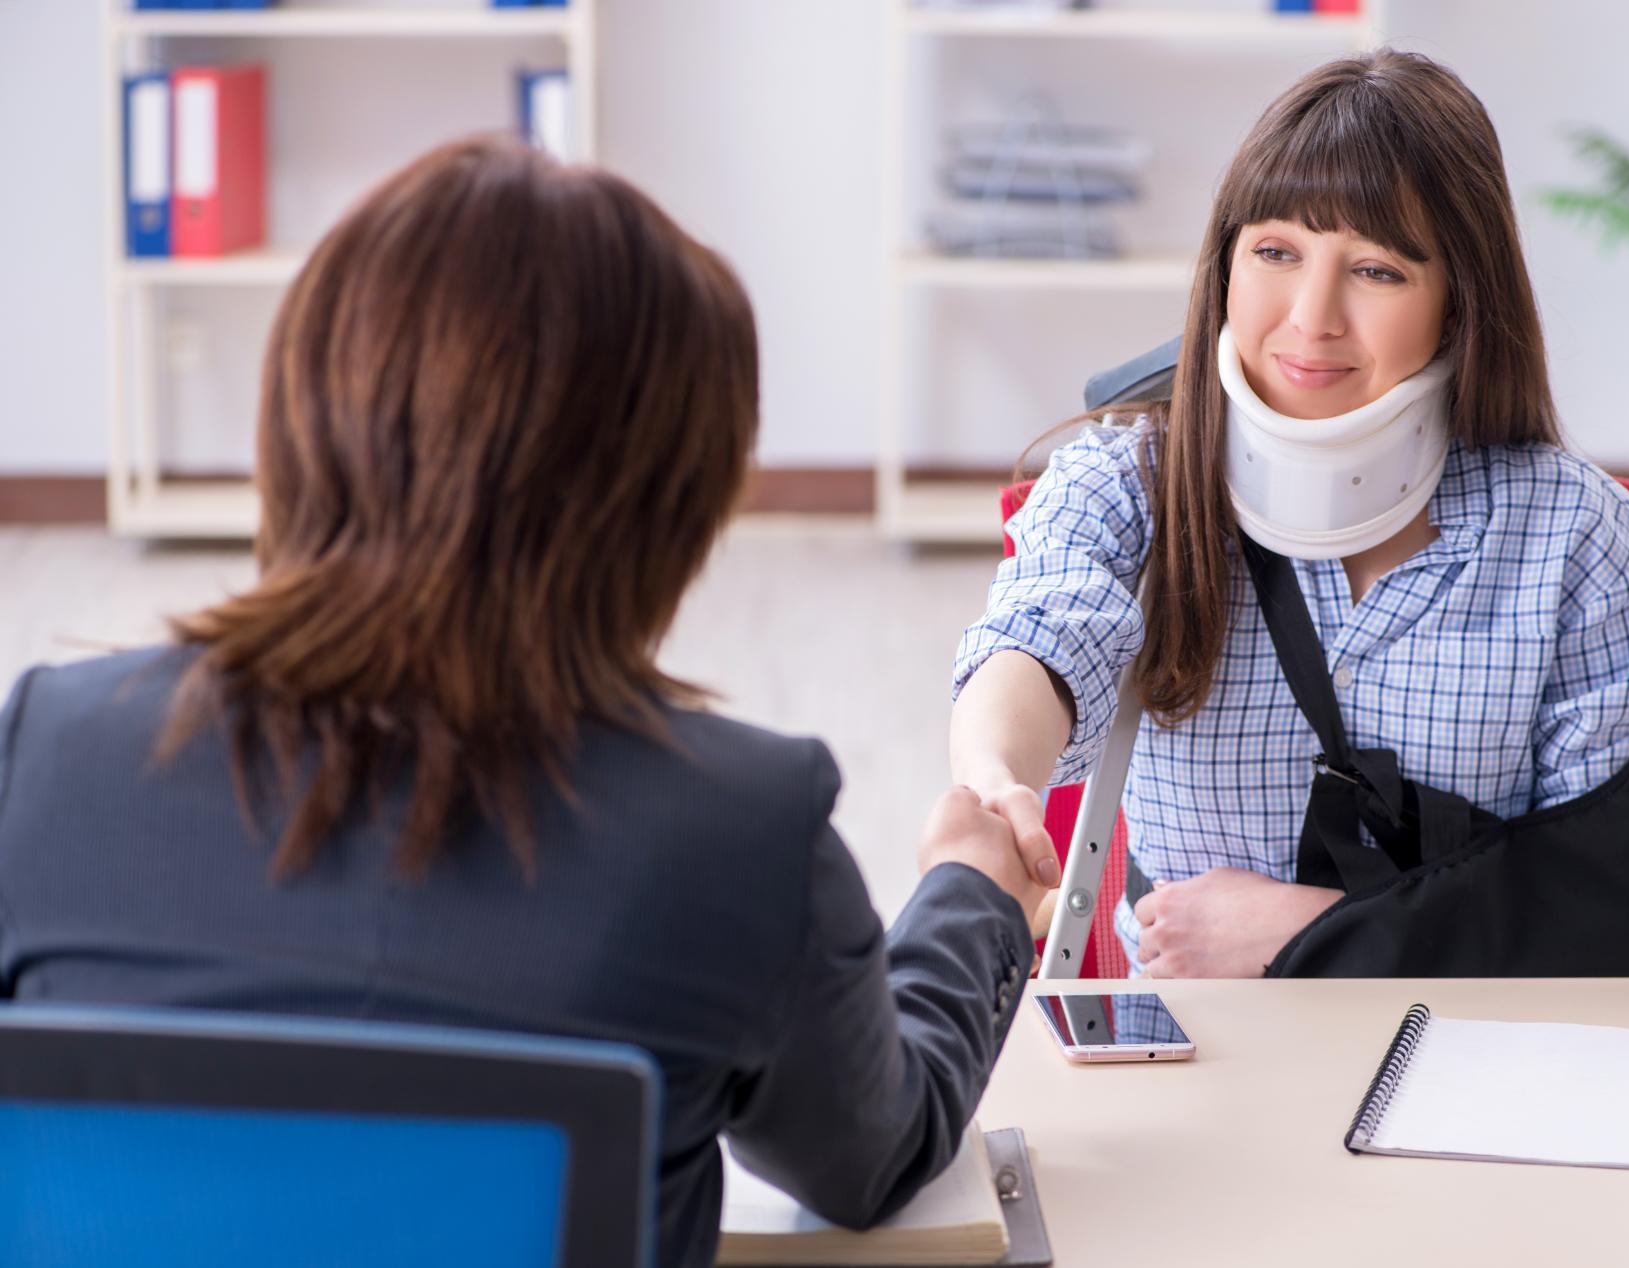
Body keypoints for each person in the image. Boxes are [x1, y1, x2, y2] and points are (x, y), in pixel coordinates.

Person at [0, 137, 1058, 1268]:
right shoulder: (736, 833)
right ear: (669, 505)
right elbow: (869, 1156)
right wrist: (972, 892)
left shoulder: (50, 753)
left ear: (300, 419)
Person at [950, 50, 1629, 978]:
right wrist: (993, 779)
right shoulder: (1132, 481)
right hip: (1200, 1060)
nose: (1311, 318)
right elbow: (1037, 641)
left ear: (1460, 301)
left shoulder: (1585, 544)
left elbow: (1622, 914)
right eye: (1275, 252)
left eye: (1378, 270)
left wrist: (1318, 931)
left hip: (1488, 1068)